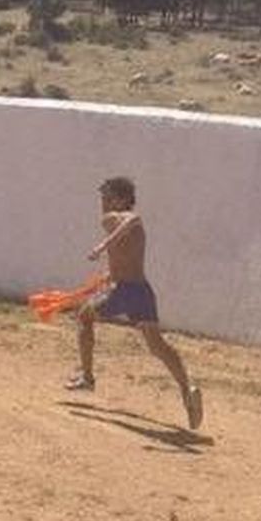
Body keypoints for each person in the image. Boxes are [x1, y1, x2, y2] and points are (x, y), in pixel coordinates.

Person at [66, 176, 203, 432]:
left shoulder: (116, 219)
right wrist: (109, 274)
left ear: (121, 199)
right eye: (102, 198)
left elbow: (133, 219)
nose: (103, 203)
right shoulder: (129, 226)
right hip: (142, 291)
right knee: (157, 345)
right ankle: (188, 388)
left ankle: (87, 377)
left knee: (84, 316)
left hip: (126, 291)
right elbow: (128, 255)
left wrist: (103, 245)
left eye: (107, 198)